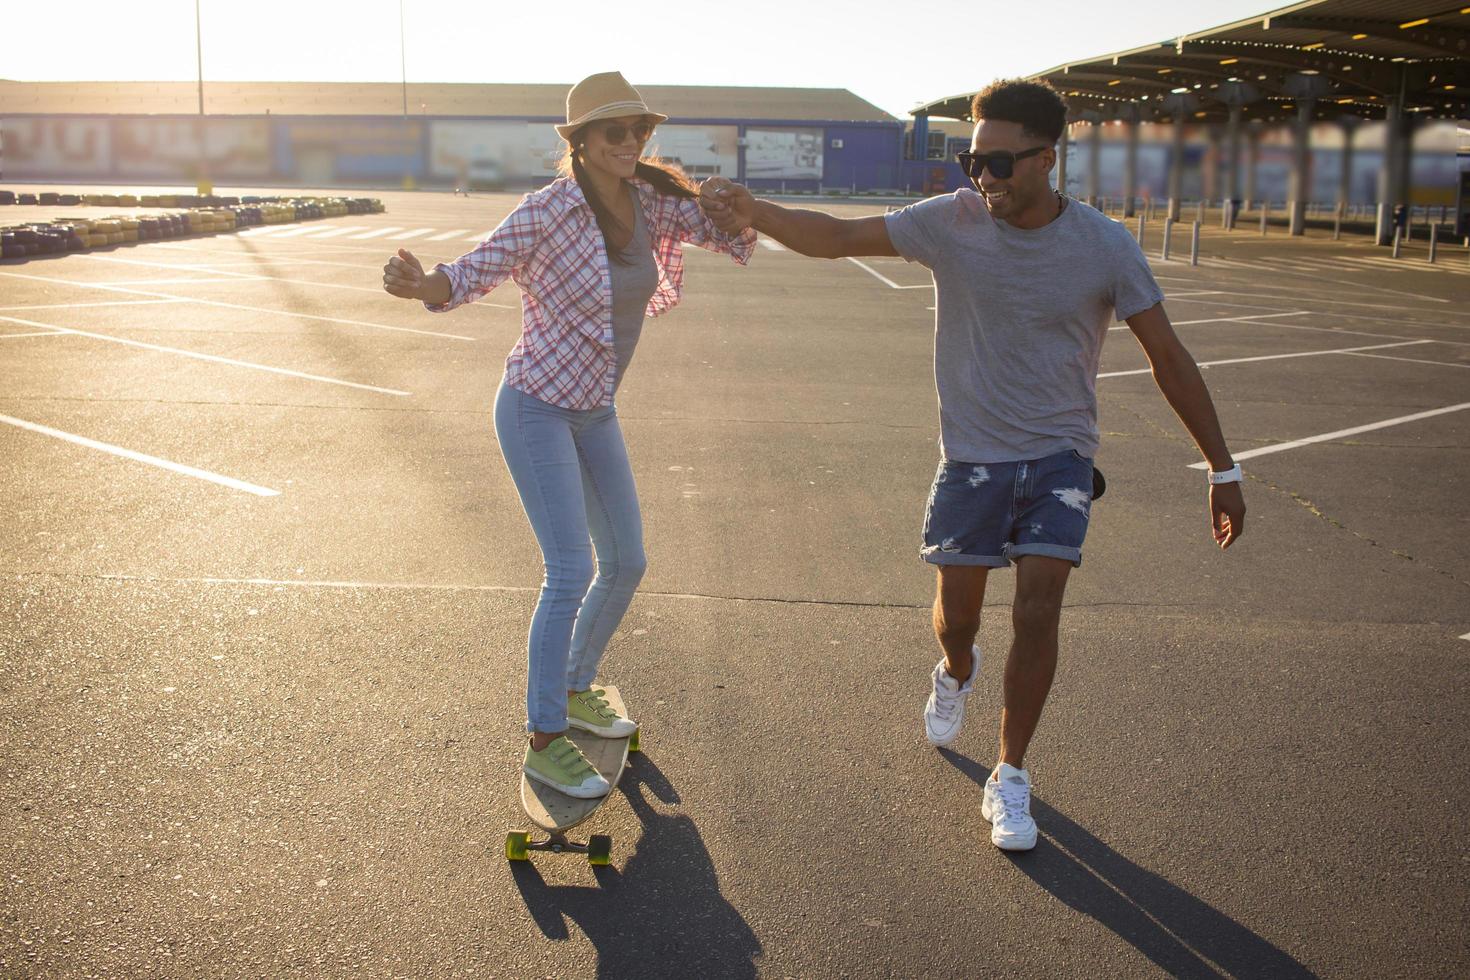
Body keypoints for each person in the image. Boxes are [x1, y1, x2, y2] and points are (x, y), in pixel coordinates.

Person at [700, 78, 1245, 851]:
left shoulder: (1104, 245)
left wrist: (1223, 468)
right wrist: (757, 212)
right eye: (971, 160)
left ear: (1047, 159)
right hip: (973, 459)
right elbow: (836, 237)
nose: (980, 177)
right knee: (959, 620)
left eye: (997, 163)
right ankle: (956, 669)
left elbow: (1168, 357)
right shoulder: (952, 222)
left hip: (1060, 456)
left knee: (1038, 609)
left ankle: (1011, 775)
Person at [382, 72, 755, 798]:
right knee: (570, 570)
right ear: (579, 142)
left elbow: (723, 231)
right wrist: (421, 282)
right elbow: (471, 272)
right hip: (536, 407)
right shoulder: (548, 209)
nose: (628, 144)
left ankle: (578, 682)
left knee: (628, 561)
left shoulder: (648, 200)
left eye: (638, 131)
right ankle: (545, 737)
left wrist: (731, 206)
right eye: (613, 132)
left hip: (594, 411)